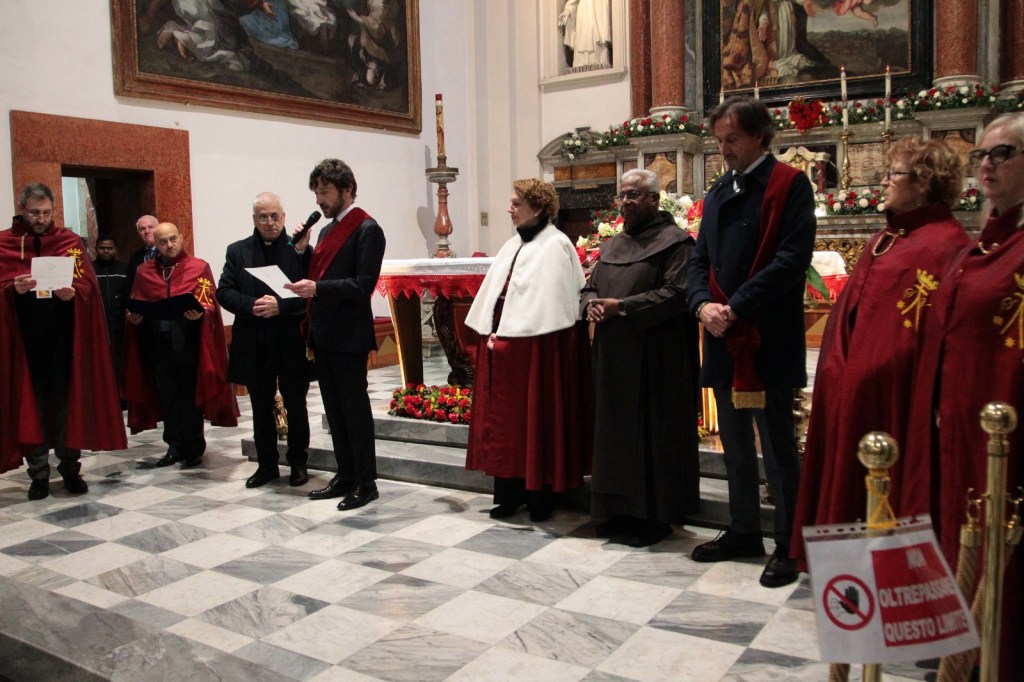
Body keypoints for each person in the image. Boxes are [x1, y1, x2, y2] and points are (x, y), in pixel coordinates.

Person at [791, 138, 969, 567]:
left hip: (895, 396)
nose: (884, 181)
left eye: (896, 173)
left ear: (925, 183)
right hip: (850, 386)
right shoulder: (883, 239)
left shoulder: (945, 246)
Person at [902, 112, 1024, 678]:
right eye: (982, 155)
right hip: (962, 427)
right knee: (963, 534)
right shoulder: (984, 243)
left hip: (1006, 436)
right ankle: (966, 647)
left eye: (1003, 154)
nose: (986, 165)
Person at [686, 97, 816, 587]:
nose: (723, 150)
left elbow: (791, 259)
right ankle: (743, 528)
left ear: (760, 136)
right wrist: (702, 305)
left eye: (731, 140)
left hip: (766, 337)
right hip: (722, 335)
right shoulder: (721, 190)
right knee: (735, 443)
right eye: (719, 141)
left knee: (779, 446)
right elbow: (699, 260)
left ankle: (788, 543)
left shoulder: (790, 185)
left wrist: (735, 305)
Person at [582, 168, 700, 547]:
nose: (626, 202)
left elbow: (677, 295)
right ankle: (614, 511)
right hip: (613, 356)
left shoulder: (676, 242)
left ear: (654, 199)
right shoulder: (614, 244)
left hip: (656, 358)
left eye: (634, 195)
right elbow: (591, 285)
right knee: (613, 434)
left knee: (651, 436)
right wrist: (590, 305)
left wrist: (624, 308)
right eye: (622, 195)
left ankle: (653, 517)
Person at [464, 179, 591, 522]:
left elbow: (558, 308)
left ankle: (540, 497)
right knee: (506, 426)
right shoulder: (511, 245)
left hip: (537, 353)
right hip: (504, 351)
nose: (511, 208)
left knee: (537, 422)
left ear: (538, 206)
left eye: (517, 202)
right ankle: (508, 494)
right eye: (511, 202)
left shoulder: (556, 245)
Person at [0, 183, 127, 499]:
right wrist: (10, 290)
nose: (41, 219)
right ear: (23, 210)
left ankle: (70, 469)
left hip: (65, 343)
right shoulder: (6, 243)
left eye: (46, 212)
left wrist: (74, 293)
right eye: (35, 213)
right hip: (25, 346)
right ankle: (39, 473)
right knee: (34, 407)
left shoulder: (68, 241)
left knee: (67, 405)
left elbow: (88, 288)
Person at [285, 159, 385, 511]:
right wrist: (300, 251)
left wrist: (318, 288)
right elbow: (315, 277)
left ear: (346, 190)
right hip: (323, 334)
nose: (318, 201)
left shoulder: (367, 229)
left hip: (349, 335)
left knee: (354, 411)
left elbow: (362, 284)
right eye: (316, 193)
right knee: (334, 409)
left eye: (324, 192)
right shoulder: (326, 232)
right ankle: (345, 474)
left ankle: (366, 481)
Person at [217, 192, 314, 488]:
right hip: (254, 340)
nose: (269, 222)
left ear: (283, 217)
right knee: (260, 405)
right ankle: (267, 465)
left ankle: (298, 463)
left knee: (296, 404)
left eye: (274, 216)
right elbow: (224, 291)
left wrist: (280, 306)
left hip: (290, 340)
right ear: (254, 219)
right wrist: (251, 305)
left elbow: (312, 295)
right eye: (263, 217)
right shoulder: (238, 251)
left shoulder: (299, 251)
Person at [123, 222, 238, 466]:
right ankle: (174, 446)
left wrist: (202, 313)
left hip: (189, 342)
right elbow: (136, 302)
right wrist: (134, 317)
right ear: (156, 243)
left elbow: (209, 304)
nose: (169, 245)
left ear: (181, 238)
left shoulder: (198, 267)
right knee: (167, 396)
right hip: (157, 343)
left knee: (189, 395)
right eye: (163, 241)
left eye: (173, 239)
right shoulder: (145, 272)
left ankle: (194, 446)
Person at [93, 233, 130, 381]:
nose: (106, 251)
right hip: (98, 325)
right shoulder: (90, 270)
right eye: (102, 248)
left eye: (109, 248)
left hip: (120, 325)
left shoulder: (124, 270)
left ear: (115, 249)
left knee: (120, 362)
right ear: (96, 249)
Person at [558, 0, 612, 70]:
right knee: (582, 37)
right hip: (583, 12)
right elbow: (573, 2)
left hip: (596, 12)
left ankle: (597, 59)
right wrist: (567, 11)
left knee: (594, 35)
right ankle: (581, 61)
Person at [125, 214, 159, 296]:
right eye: (142, 229)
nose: (147, 231)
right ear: (138, 233)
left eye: (151, 227)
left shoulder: (167, 253)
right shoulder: (135, 258)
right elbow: (129, 285)